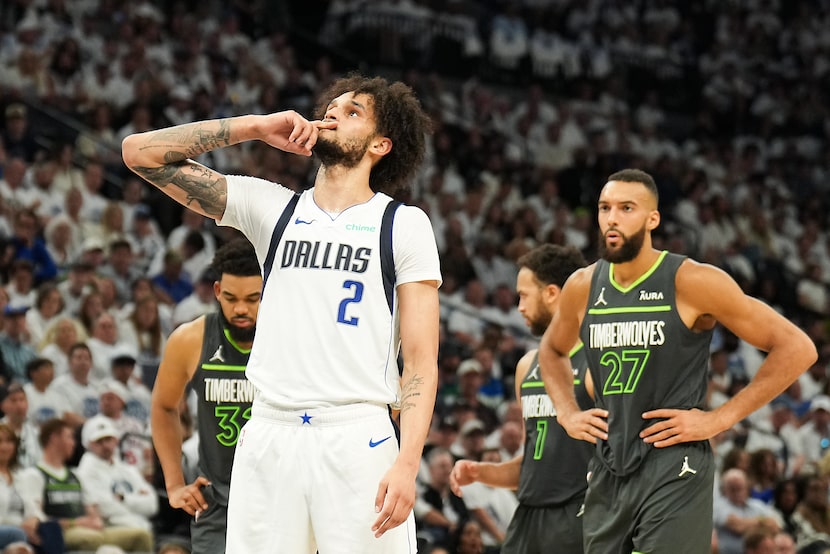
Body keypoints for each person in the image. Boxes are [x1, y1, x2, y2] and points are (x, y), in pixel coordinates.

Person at [123, 73, 441, 553]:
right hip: (270, 432)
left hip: (357, 434)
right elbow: (138, 153)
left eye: (353, 111)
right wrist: (253, 127)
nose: (333, 113)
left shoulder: (403, 223)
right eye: (331, 106)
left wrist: (408, 463)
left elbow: (420, 361)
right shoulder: (273, 208)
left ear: (381, 144)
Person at [538, 169, 817, 553]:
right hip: (608, 463)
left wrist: (718, 419)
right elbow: (551, 351)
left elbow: (797, 347)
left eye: (626, 208)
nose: (612, 218)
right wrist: (567, 413)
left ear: (653, 219)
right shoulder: (583, 285)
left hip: (674, 463)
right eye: (605, 208)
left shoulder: (692, 280)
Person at [450, 244, 593, 553]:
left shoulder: (597, 363)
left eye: (525, 295)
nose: (519, 307)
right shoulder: (527, 367)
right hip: (528, 514)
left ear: (552, 294)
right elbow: (534, 462)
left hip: (578, 516)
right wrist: (481, 472)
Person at [151, 238, 262, 554]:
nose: (241, 308)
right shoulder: (190, 339)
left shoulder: (294, 338)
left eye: (253, 299)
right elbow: (163, 406)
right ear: (216, 292)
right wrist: (174, 485)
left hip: (281, 499)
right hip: (216, 503)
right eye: (231, 298)